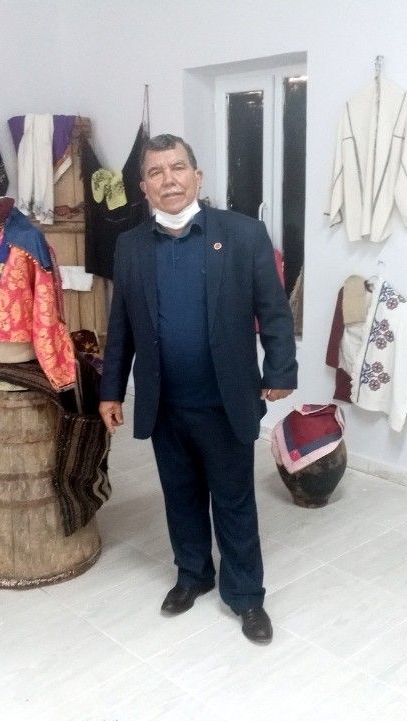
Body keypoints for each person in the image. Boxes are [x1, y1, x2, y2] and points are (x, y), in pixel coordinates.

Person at [99, 134, 297, 644]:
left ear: (197, 176)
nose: (169, 180)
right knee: (180, 496)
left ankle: (246, 595)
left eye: (178, 168)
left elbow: (273, 310)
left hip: (225, 400)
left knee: (233, 500)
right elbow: (120, 325)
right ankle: (193, 574)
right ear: (144, 186)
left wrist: (280, 371)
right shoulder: (131, 246)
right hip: (165, 403)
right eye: (156, 172)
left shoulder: (243, 234)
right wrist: (111, 390)